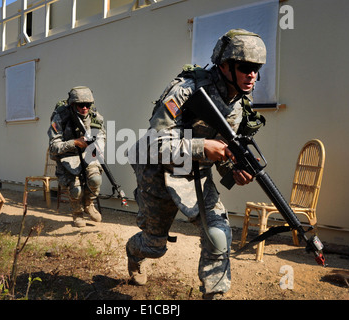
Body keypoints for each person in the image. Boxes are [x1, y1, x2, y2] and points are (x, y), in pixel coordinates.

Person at [125, 29, 267, 299]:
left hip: (194, 175)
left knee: (218, 235)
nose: (252, 75)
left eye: (256, 69)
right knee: (154, 245)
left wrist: (234, 170)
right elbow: (154, 144)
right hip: (156, 170)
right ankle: (134, 253)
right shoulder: (187, 89)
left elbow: (223, 154)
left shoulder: (238, 105)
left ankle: (215, 294)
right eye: (246, 67)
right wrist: (203, 147)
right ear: (224, 65)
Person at [48, 86, 106, 228]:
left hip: (87, 153)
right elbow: (54, 146)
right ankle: (77, 214)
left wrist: (98, 147)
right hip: (66, 156)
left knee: (95, 179)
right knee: (76, 189)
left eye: (88, 104)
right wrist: (74, 142)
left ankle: (88, 204)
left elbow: (102, 136)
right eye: (81, 105)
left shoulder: (95, 116)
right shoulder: (60, 117)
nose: (85, 108)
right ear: (73, 104)